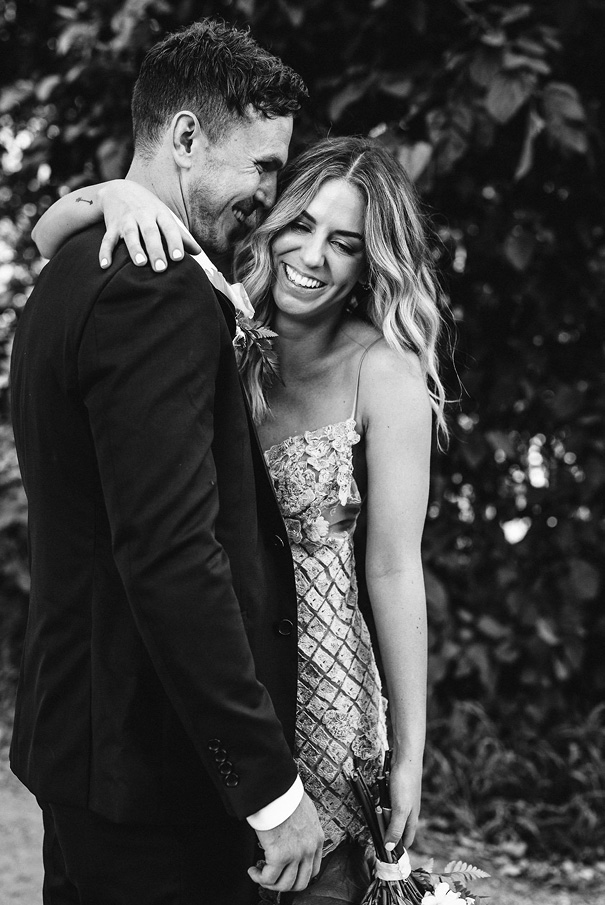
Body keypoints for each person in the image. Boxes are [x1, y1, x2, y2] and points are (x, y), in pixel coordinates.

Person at [33, 135, 449, 904]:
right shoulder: (209, 309)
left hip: (322, 706)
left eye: (344, 243)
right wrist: (118, 195)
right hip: (213, 700)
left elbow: (393, 568)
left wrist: (409, 755)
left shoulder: (383, 375)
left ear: (370, 264)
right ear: (273, 220)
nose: (312, 256)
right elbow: (47, 234)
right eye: (302, 225)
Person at [10, 19, 326, 905]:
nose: (268, 194)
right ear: (185, 137)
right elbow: (173, 555)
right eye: (261, 165)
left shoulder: (74, 269)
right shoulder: (156, 292)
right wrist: (269, 788)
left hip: (90, 745)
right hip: (152, 769)